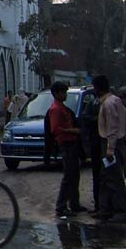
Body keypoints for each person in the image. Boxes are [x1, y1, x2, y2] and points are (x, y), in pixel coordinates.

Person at [93, 74, 126, 222]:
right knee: (106, 178)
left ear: (97, 88)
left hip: (111, 144)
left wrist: (110, 149)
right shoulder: (115, 101)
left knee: (114, 179)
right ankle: (105, 209)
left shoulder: (108, 104)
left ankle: (121, 211)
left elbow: (113, 128)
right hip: (116, 143)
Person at [48, 81, 86, 219]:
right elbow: (55, 129)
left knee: (75, 175)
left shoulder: (62, 107)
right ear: (56, 93)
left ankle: (74, 204)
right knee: (69, 176)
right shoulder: (56, 109)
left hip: (72, 144)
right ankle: (61, 206)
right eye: (63, 92)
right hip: (66, 144)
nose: (65, 95)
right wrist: (73, 131)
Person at [81, 87, 102, 213]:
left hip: (100, 144)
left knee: (102, 176)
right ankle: (100, 205)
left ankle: (102, 206)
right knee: (99, 176)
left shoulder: (105, 104)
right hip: (96, 144)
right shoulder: (93, 104)